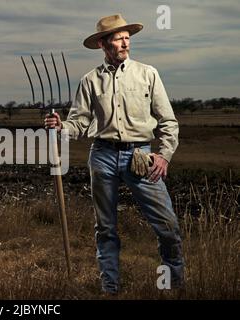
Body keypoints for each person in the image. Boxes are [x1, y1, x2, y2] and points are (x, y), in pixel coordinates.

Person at [45, 14, 184, 294]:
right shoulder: (90, 81)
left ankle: (175, 284)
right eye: (119, 38)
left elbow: (168, 122)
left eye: (127, 37)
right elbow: (79, 123)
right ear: (103, 44)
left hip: (140, 156)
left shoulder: (148, 74)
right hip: (103, 156)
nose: (126, 42)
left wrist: (164, 155)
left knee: (168, 225)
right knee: (106, 228)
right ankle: (110, 287)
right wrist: (61, 126)